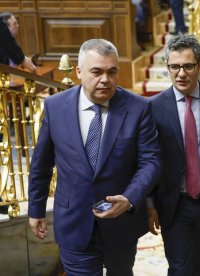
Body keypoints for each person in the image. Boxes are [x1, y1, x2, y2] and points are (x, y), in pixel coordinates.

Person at [28, 38, 160, 275]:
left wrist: (130, 199)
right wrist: (36, 209)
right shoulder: (55, 107)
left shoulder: (139, 108)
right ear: (78, 71)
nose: (105, 79)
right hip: (73, 220)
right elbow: (42, 162)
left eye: (112, 72)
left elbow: (150, 161)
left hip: (121, 224)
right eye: (96, 72)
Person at [149, 34, 200, 275]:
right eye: (174, 67)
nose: (181, 73)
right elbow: (148, 159)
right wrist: (149, 204)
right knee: (180, 267)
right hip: (174, 202)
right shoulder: (154, 107)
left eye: (187, 66)